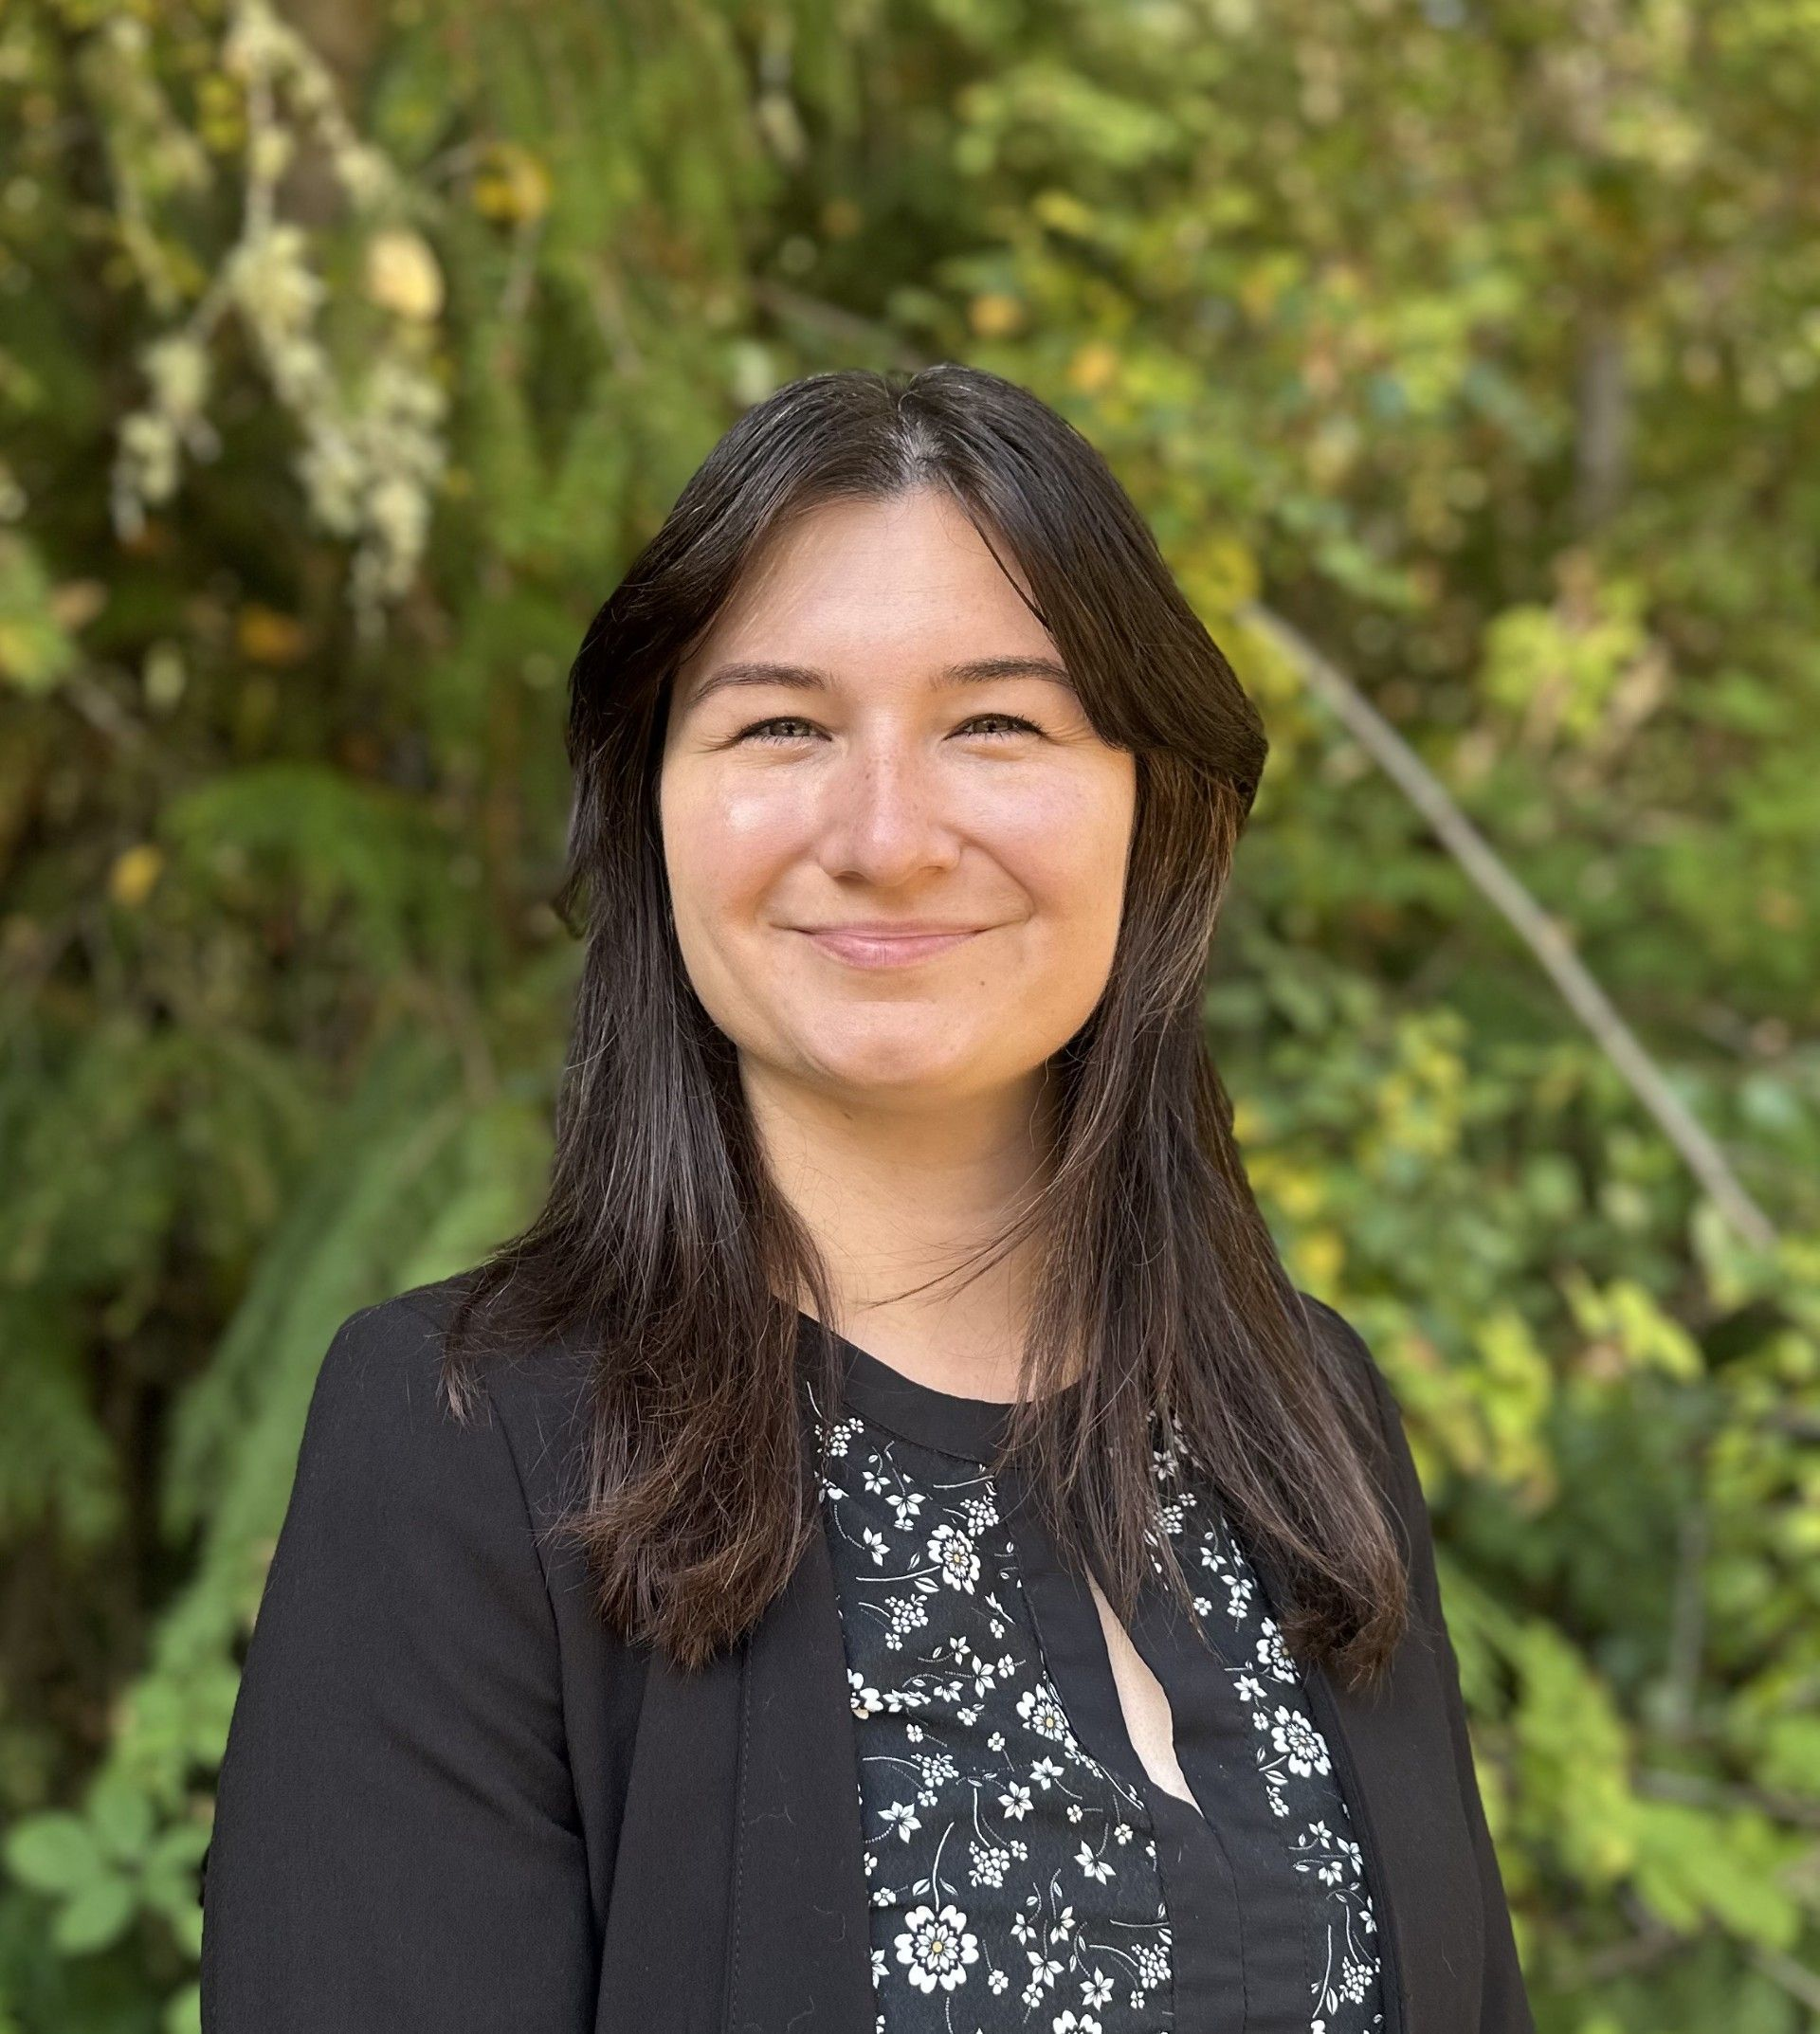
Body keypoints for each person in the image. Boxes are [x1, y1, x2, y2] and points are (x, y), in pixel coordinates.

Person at [199, 363, 1536, 2033]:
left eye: (998, 722)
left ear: (1157, 808)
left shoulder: (1301, 1404)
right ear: (652, 811)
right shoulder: (470, 1443)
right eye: (782, 724)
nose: (889, 834)